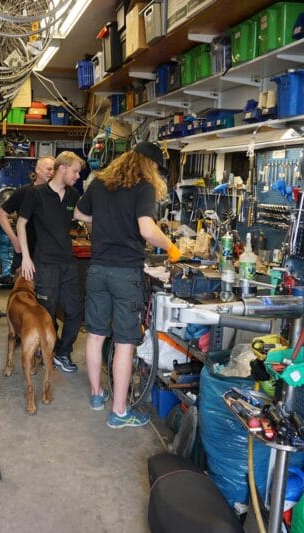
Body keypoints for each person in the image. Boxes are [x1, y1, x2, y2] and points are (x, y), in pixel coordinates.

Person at [74, 142, 181, 428]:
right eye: (155, 166)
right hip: (125, 274)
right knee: (124, 342)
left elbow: (79, 214)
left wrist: (105, 223)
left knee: (95, 335)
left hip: (98, 270)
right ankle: (119, 412)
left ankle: (97, 395)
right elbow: (147, 228)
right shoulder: (144, 186)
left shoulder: (100, 183)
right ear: (149, 164)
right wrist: (171, 247)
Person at [17, 151, 85, 373]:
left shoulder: (73, 195)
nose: (77, 176)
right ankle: (48, 351)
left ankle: (62, 353)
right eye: (75, 171)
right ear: (62, 168)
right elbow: (21, 223)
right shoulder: (36, 193)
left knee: (75, 311)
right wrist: (26, 257)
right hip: (45, 263)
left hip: (67, 263)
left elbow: (81, 216)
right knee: (47, 313)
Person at [0, 156, 55, 272]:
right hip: (25, 251)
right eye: (49, 169)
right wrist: (14, 240)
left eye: (54, 170)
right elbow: (1, 213)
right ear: (37, 169)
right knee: (22, 283)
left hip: (48, 253)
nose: (52, 173)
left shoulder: (56, 193)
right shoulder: (24, 192)